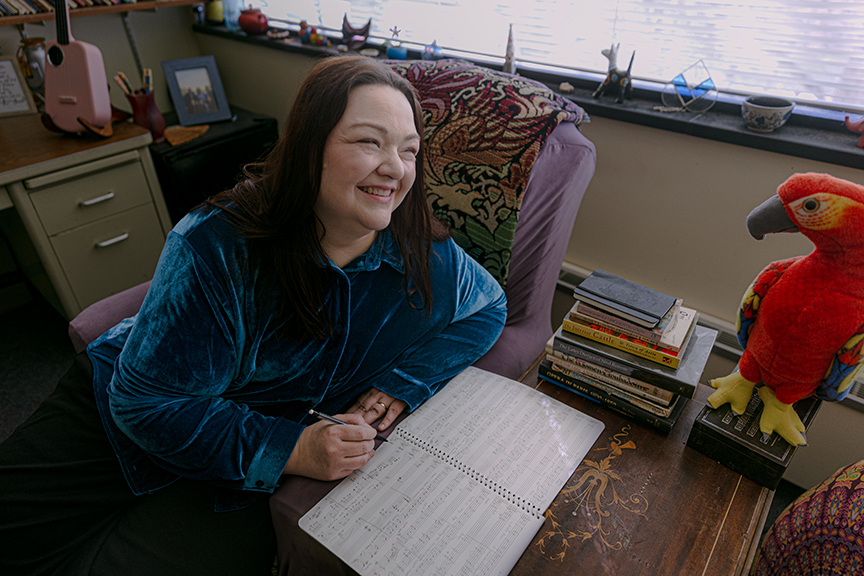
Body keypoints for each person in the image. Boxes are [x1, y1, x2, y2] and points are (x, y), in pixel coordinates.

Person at [0, 54, 507, 576]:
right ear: (311, 149)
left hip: (236, 472)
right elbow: (145, 401)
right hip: (116, 416)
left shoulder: (424, 254)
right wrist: (295, 448)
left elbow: (491, 308)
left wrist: (404, 384)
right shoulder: (215, 242)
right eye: (367, 141)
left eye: (409, 150)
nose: (395, 168)